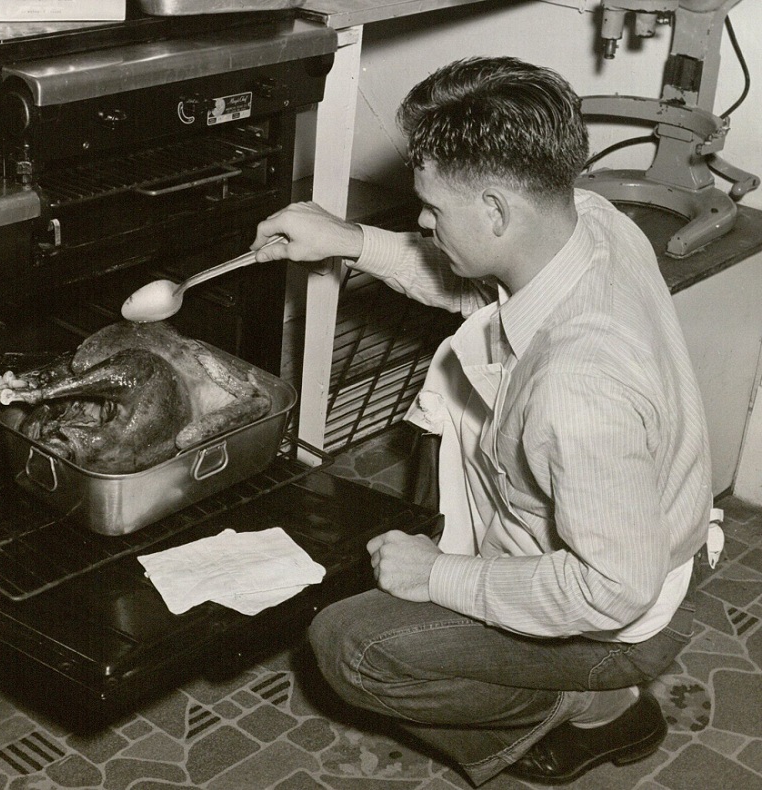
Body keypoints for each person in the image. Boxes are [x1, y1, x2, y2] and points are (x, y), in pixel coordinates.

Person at [251, 56, 713, 786]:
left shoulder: (579, 387)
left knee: (347, 646)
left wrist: (441, 576)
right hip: (658, 533)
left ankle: (593, 707)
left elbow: (613, 587)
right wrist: (348, 239)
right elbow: (486, 294)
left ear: (497, 211)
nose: (423, 223)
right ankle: (567, 686)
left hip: (623, 614)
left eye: (431, 210)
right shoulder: (590, 219)